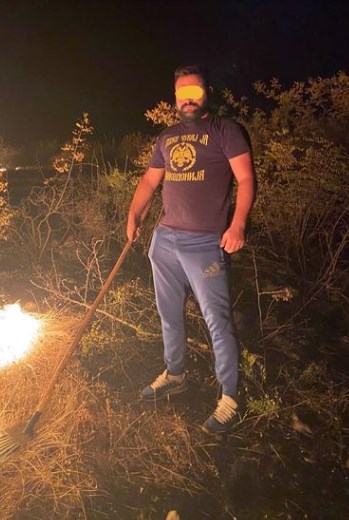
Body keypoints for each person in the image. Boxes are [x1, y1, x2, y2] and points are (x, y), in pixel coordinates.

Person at [126, 64, 255, 433]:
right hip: (165, 239)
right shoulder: (167, 138)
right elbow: (150, 181)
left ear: (206, 93)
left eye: (194, 92)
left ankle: (230, 395)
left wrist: (238, 223)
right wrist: (134, 214)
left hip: (204, 243)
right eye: (182, 94)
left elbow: (245, 179)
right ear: (175, 99)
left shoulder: (225, 131)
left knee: (217, 320)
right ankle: (176, 374)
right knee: (169, 314)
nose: (188, 99)